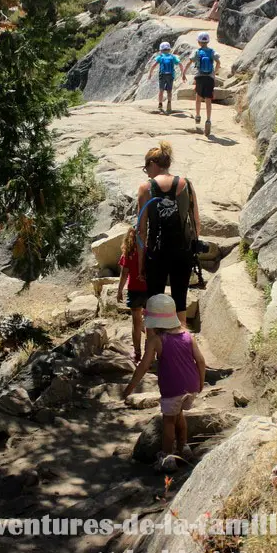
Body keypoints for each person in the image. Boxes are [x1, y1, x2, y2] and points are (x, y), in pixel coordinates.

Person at [122, 293, 206, 473]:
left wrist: (129, 388)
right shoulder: (188, 336)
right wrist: (201, 382)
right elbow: (200, 361)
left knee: (168, 422)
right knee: (179, 415)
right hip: (191, 386)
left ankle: (167, 457)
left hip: (172, 388)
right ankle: (183, 449)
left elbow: (144, 366)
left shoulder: (156, 340)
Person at [137, 141, 200, 328]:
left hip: (156, 254)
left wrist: (141, 262)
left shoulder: (145, 188)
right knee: (180, 302)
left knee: (153, 303)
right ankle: (181, 347)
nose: (146, 172)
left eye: (146, 167)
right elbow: (196, 222)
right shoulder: (186, 184)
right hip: (182, 251)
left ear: (153, 164)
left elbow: (141, 230)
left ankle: (154, 351)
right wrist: (193, 250)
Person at [116, 228, 147, 362]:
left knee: (136, 322)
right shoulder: (147, 252)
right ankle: (152, 351)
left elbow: (124, 275)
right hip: (148, 289)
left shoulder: (127, 254)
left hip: (134, 290)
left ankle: (137, 353)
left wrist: (119, 291)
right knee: (150, 322)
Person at [182, 32, 221, 137]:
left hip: (199, 77)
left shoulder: (197, 52)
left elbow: (189, 62)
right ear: (207, 41)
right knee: (208, 99)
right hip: (209, 78)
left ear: (199, 42)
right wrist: (214, 73)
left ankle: (198, 115)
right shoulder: (212, 52)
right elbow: (218, 63)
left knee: (198, 97)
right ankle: (208, 120)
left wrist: (183, 73)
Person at [147, 41, 180, 114]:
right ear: (169, 49)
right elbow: (179, 63)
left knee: (161, 90)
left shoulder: (160, 57)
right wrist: (183, 74)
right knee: (169, 90)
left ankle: (160, 104)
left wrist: (150, 74)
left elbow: (153, 66)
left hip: (162, 75)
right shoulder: (172, 57)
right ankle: (169, 103)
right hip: (170, 75)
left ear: (161, 50)